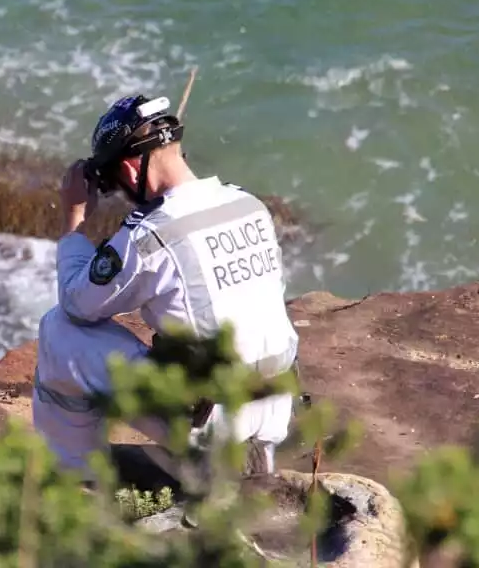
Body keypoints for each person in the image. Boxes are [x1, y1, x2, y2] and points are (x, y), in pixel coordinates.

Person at [30, 93, 300, 488]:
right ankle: (250, 456)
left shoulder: (152, 234)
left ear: (127, 166)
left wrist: (74, 219)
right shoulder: (249, 205)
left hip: (210, 418)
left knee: (59, 331)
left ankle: (74, 482)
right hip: (275, 406)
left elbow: (78, 306)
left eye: (114, 181)